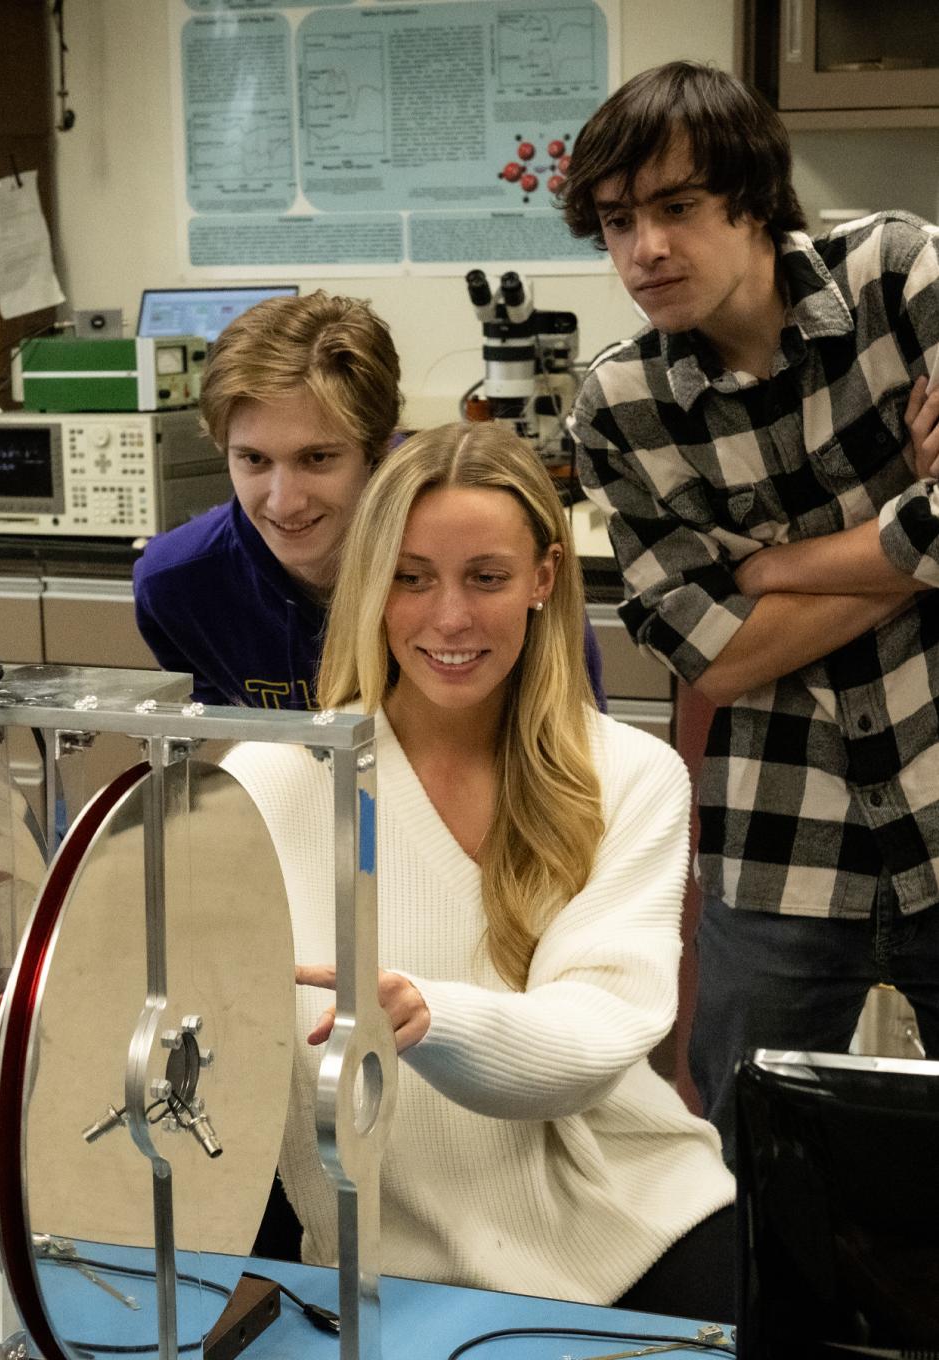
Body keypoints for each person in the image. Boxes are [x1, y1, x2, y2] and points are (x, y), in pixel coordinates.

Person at [224, 421, 735, 1321]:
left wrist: (430, 1015)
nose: (449, 617)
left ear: (544, 579)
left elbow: (595, 1037)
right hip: (384, 1261)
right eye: (411, 578)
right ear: (369, 584)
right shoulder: (268, 783)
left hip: (632, 1228)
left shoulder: (628, 777)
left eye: (486, 578)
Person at [562, 60, 939, 1165]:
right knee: (751, 1174)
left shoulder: (901, 275)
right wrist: (914, 528)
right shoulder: (620, 408)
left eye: (677, 208)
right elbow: (711, 659)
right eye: (620, 222)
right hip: (781, 844)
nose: (646, 251)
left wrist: (773, 568)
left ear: (756, 199)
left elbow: (736, 612)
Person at [133, 290, 605, 709]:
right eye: (253, 460)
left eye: (317, 458)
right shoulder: (178, 584)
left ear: (378, 446)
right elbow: (221, 757)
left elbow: (579, 749)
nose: (284, 502)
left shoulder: (482, 540)